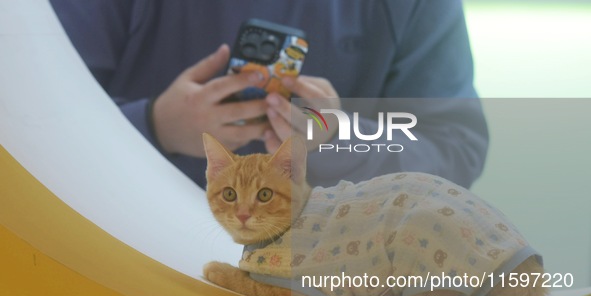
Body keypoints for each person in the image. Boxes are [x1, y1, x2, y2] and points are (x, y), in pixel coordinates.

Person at [50, 0, 488, 189]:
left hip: (312, 287)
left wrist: (339, 140)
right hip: (115, 253)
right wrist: (155, 126)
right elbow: (32, 125)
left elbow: (453, 147)